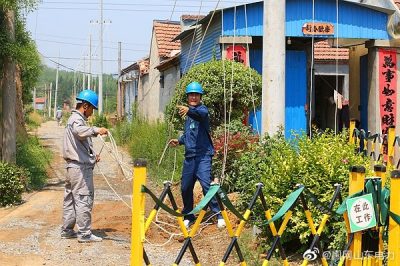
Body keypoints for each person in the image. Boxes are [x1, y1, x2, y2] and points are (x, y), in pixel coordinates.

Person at [169, 81, 226, 229]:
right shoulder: (188, 116)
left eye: (196, 95)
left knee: (207, 185)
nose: (193, 97)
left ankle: (218, 214)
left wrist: (188, 110)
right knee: (185, 187)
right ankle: (189, 215)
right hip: (190, 157)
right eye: (191, 95)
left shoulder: (202, 111)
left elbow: (201, 114)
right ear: (188, 97)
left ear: (200, 97)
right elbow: (190, 133)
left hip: (203, 156)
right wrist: (179, 141)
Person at [61, 89, 108, 243]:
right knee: (83, 199)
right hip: (79, 169)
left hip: (72, 167)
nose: (92, 113)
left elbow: (79, 144)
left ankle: (67, 230)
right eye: (92, 109)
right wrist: (97, 130)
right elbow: (80, 132)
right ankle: (84, 234)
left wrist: (93, 156)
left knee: (70, 199)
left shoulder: (75, 119)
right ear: (86, 106)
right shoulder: (76, 120)